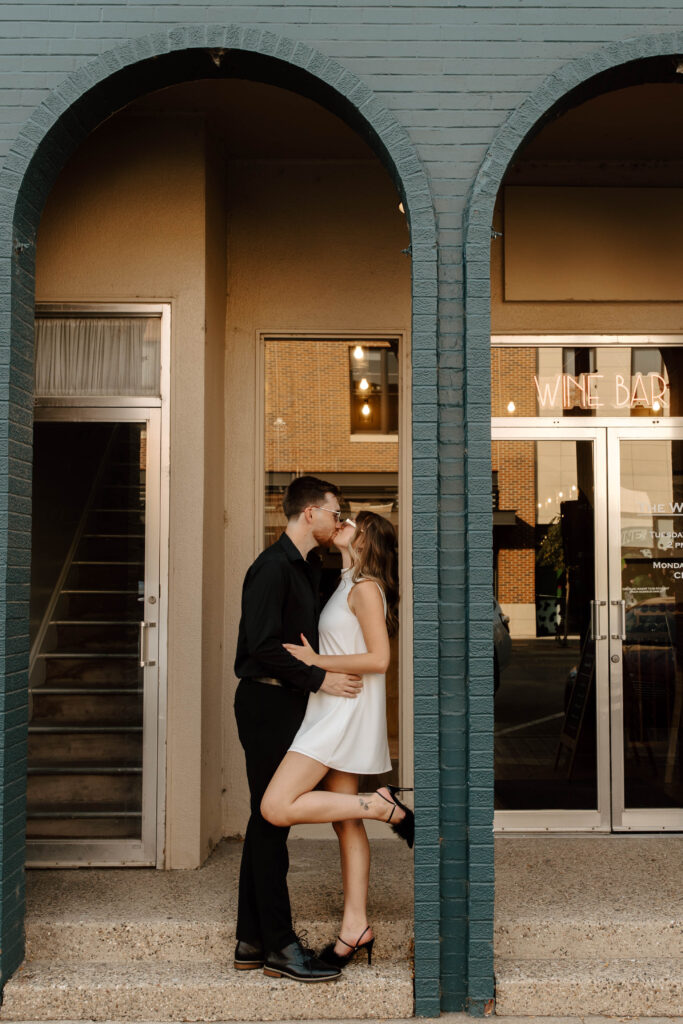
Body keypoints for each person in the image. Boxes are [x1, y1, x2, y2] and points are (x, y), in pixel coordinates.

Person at [260, 510, 414, 972]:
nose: (344, 521)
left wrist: (314, 661)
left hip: (340, 713)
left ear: (367, 540)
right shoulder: (346, 581)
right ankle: (355, 927)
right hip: (331, 708)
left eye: (356, 522)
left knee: (276, 805)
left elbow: (380, 659)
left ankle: (381, 804)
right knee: (344, 822)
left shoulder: (366, 588)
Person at [233, 476, 364, 984]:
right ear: (310, 512)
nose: (341, 519)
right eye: (337, 510)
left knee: (265, 820)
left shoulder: (311, 566)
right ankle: (282, 948)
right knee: (273, 821)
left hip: (290, 703)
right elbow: (261, 648)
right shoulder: (269, 569)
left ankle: (251, 938)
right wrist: (321, 679)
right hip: (266, 701)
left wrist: (351, 547)